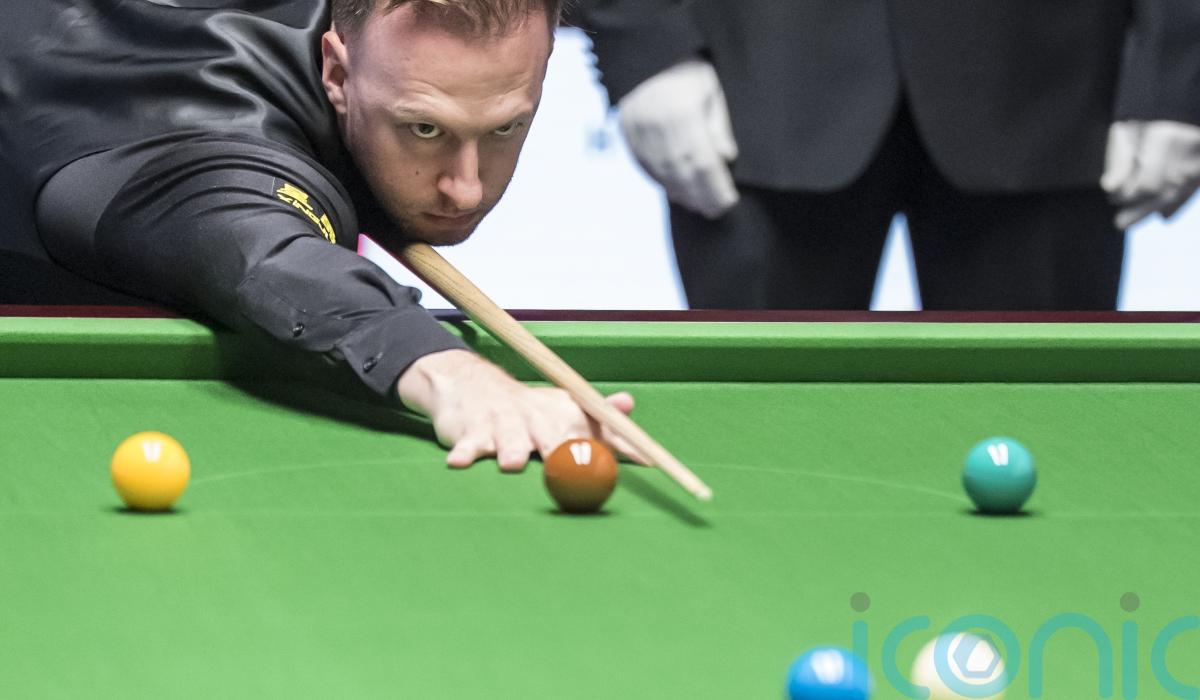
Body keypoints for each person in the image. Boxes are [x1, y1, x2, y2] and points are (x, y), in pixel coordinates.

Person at [0, 0, 636, 469]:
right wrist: (448, 371)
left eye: (503, 129)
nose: (465, 188)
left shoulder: (370, 46)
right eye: (423, 129)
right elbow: (260, 252)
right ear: (336, 72)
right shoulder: (221, 131)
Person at [568, 1, 1200, 310]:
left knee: (1054, 446)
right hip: (752, 78)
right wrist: (644, 40)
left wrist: (1180, 65)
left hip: (1053, 88)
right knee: (758, 452)